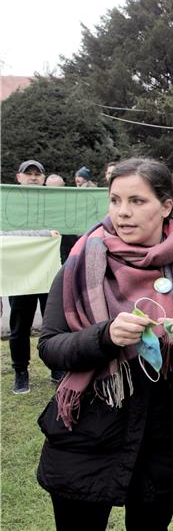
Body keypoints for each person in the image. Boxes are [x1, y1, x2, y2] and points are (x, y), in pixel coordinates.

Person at [36, 158, 173, 530]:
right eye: (115, 200)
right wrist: (104, 337)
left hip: (165, 439)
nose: (122, 213)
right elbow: (51, 347)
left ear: (166, 206)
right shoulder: (81, 260)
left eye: (137, 201)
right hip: (87, 436)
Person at [7, 160, 64, 393]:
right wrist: (42, 233)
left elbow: (63, 230)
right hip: (21, 274)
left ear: (43, 178)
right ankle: (21, 372)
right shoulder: (9, 204)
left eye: (36, 174)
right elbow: (6, 233)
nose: (32, 177)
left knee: (54, 324)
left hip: (48, 272)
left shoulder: (53, 204)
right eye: (27, 174)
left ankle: (57, 366)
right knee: (20, 326)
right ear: (18, 178)